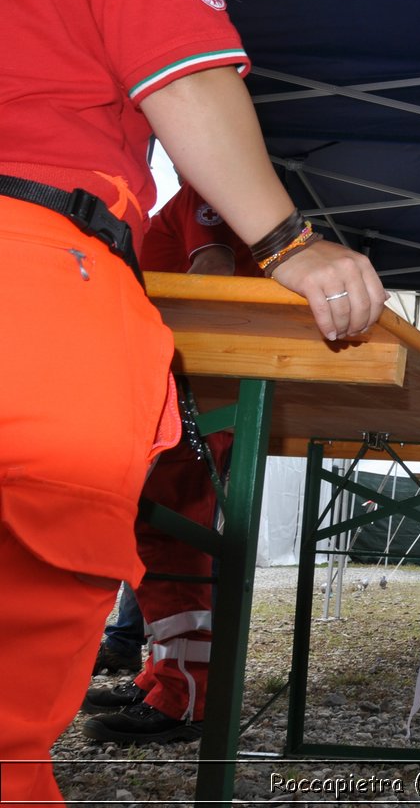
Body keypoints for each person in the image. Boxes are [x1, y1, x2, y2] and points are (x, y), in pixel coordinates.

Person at [0, 0, 385, 801]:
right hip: (37, 278)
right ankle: (177, 683)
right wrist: (292, 240)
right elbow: (181, 71)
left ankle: (178, 680)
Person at [80, 182, 256, 744]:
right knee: (160, 537)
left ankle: (186, 696)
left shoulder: (207, 194)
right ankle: (164, 679)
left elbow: (214, 275)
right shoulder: (203, 197)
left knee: (168, 540)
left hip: (190, 394)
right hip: (195, 392)